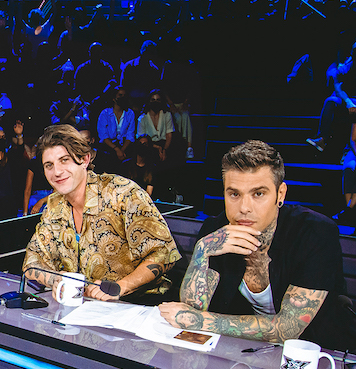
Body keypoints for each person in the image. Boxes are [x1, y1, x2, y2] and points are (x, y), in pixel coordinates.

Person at [159, 141, 351, 351]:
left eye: (258, 194)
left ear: (280, 194)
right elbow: (192, 309)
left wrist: (201, 321)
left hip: (315, 354)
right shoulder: (216, 230)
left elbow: (287, 330)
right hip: (244, 352)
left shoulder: (314, 232)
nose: (244, 208)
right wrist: (202, 251)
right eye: (234, 194)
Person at [23, 124, 181, 303]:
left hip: (139, 303)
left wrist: (119, 287)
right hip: (85, 306)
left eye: (64, 160)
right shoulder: (54, 205)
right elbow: (32, 261)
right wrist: (56, 280)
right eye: (49, 165)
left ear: (85, 159)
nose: (57, 172)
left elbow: (163, 254)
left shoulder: (123, 193)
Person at [306, 41, 355, 155]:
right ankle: (322, 139)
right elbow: (338, 87)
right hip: (349, 99)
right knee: (330, 100)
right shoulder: (346, 68)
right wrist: (348, 101)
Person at [97, 86, 137, 173]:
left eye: (124, 95)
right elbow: (103, 135)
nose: (123, 97)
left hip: (124, 146)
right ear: (114, 98)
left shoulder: (130, 113)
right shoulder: (105, 113)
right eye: (120, 95)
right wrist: (117, 150)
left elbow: (130, 134)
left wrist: (122, 150)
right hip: (108, 146)